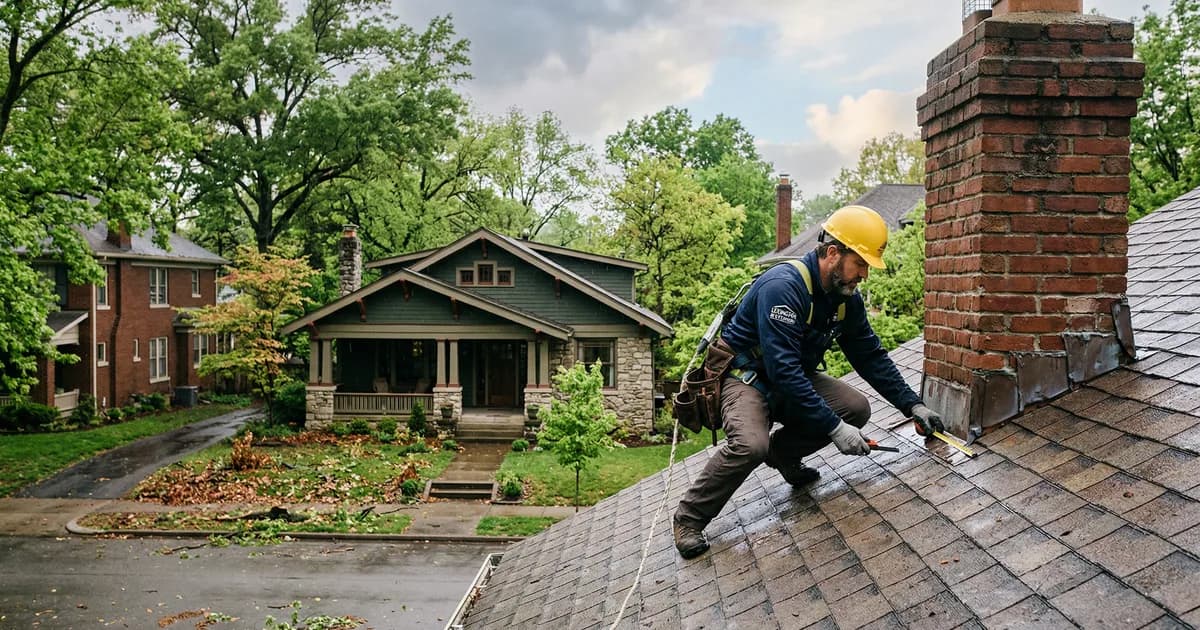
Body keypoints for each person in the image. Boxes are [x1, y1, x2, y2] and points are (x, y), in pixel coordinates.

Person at [672, 204, 944, 559]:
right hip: (746, 379)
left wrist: (913, 404)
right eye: (860, 264)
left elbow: (870, 356)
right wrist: (834, 429)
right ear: (833, 254)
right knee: (751, 444)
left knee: (855, 409)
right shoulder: (783, 287)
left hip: (790, 378)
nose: (864, 274)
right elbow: (783, 370)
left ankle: (783, 455)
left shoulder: (846, 300)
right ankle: (689, 518)